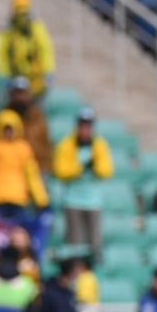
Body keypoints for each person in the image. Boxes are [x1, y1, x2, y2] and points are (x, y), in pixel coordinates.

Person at [0, 109, 48, 252]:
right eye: (5, 129)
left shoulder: (23, 149)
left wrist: (40, 198)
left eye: (11, 129)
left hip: (18, 199)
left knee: (17, 235)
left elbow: (32, 176)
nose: (8, 133)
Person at [52, 108, 112, 259]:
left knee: (95, 242)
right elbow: (60, 170)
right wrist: (79, 168)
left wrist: (95, 166)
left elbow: (106, 170)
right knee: (75, 243)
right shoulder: (67, 144)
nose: (85, 129)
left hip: (93, 200)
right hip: (73, 200)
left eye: (88, 125)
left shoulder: (99, 145)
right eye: (82, 125)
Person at [0, 0, 55, 101]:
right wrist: (4, 75)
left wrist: (48, 70)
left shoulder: (37, 28)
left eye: (24, 12)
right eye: (19, 12)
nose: (22, 16)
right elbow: (2, 56)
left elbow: (45, 50)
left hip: (35, 83)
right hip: (15, 83)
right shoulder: (8, 31)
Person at [2, 76, 51, 171]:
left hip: (36, 166)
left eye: (23, 93)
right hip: (11, 168)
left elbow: (45, 145)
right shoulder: (4, 117)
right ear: (11, 95)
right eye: (17, 93)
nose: (20, 98)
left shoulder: (38, 117)